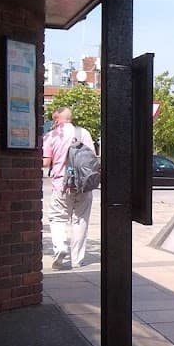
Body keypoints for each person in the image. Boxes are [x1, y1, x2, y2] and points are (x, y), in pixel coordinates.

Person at [42, 106, 96, 270]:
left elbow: (45, 163)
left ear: (57, 119)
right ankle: (77, 260)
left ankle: (60, 248)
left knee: (58, 218)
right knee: (81, 221)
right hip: (84, 185)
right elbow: (92, 158)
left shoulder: (51, 136)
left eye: (54, 119)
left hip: (61, 184)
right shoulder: (84, 133)